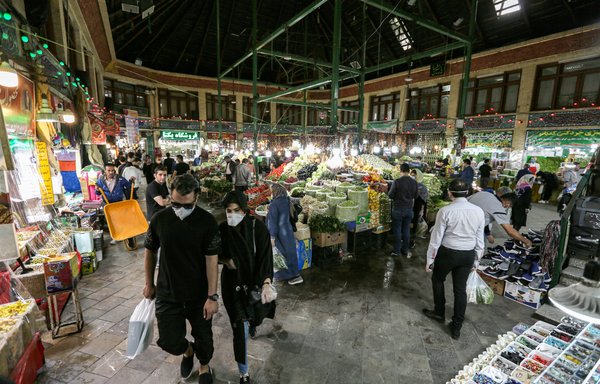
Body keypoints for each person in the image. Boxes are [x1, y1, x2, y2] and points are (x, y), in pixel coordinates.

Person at [143, 174, 221, 384]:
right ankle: (188, 351)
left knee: (204, 338)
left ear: (196, 197)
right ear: (170, 196)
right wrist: (149, 283)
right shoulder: (160, 219)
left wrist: (212, 296)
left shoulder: (207, 222)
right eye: (176, 203)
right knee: (169, 340)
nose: (180, 209)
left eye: (186, 205)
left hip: (198, 295)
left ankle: (204, 366)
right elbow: (150, 251)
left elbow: (212, 261)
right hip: (168, 292)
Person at [218, 191, 276, 384]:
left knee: (255, 317)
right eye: (228, 210)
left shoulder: (257, 229)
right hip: (232, 286)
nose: (231, 214)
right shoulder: (222, 230)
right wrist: (226, 261)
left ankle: (253, 323)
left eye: (236, 210)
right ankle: (244, 372)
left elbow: (265, 257)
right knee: (239, 329)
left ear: (244, 211)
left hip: (254, 283)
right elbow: (212, 254)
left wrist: (267, 283)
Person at [422, 179, 485, 340]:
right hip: (467, 254)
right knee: (460, 289)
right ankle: (456, 327)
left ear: (450, 193)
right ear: (468, 192)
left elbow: (436, 238)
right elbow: (480, 239)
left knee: (437, 279)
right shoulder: (478, 211)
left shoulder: (445, 211)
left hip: (448, 253)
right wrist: (476, 260)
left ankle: (439, 313)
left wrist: (430, 259)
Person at [467, 187, 533, 248]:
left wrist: (487, 233)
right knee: (477, 249)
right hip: (468, 230)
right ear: (508, 202)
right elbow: (510, 231)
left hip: (460, 220)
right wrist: (526, 241)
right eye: (510, 205)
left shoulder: (484, 193)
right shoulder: (498, 207)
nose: (507, 207)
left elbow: (484, 216)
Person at [267, 183, 303, 285]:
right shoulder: (287, 200)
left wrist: (272, 237)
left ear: (275, 192)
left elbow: (273, 222)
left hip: (280, 233)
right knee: (290, 254)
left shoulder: (274, 204)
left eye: (271, 192)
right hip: (288, 231)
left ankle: (290, 276)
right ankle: (294, 275)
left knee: (281, 255)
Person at [95, 164, 132, 245]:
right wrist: (97, 190)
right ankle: (115, 237)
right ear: (105, 171)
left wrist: (131, 181)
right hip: (107, 205)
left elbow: (128, 186)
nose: (111, 172)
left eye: (112, 170)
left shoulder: (120, 179)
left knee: (120, 220)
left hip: (118, 203)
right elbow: (97, 192)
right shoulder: (100, 180)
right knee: (111, 222)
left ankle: (124, 235)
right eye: (109, 170)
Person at [388, 163, 418, 258]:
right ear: (409, 171)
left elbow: (390, 195)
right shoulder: (414, 182)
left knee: (397, 230)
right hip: (409, 209)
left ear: (400, 171)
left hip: (398, 209)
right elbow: (416, 196)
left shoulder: (397, 181)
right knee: (406, 230)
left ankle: (396, 251)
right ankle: (405, 250)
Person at [409, 169, 429, 247]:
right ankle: (405, 239)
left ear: (419, 176)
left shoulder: (423, 187)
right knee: (407, 224)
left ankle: (412, 240)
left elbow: (424, 200)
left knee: (414, 224)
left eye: (414, 175)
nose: (413, 176)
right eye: (412, 175)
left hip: (416, 208)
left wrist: (423, 211)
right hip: (407, 207)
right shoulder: (408, 184)